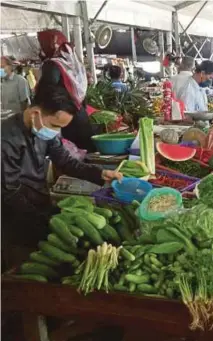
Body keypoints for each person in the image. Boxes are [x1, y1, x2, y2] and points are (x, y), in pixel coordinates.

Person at [1, 84, 122, 268]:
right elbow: (10, 193)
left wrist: (100, 173)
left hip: (39, 204)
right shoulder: (6, 139)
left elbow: (66, 161)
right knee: (25, 267)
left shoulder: (44, 130)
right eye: (55, 125)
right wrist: (47, 220)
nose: (56, 132)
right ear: (35, 113)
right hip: (16, 218)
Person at [37, 29, 96, 152]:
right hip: (81, 114)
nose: (41, 48)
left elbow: (47, 89)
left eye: (42, 44)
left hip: (64, 117)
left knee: (69, 154)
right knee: (85, 152)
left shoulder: (53, 64)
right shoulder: (72, 61)